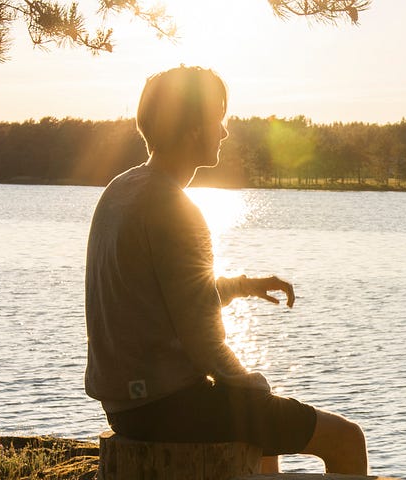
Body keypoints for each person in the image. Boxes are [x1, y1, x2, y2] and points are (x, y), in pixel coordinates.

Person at [84, 66, 367, 474]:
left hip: (124, 406)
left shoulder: (122, 189)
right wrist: (255, 385)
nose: (225, 131)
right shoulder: (175, 208)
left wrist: (242, 286)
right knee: (345, 438)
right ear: (194, 129)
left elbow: (166, 296)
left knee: (260, 428)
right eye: (219, 119)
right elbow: (204, 339)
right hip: (167, 407)